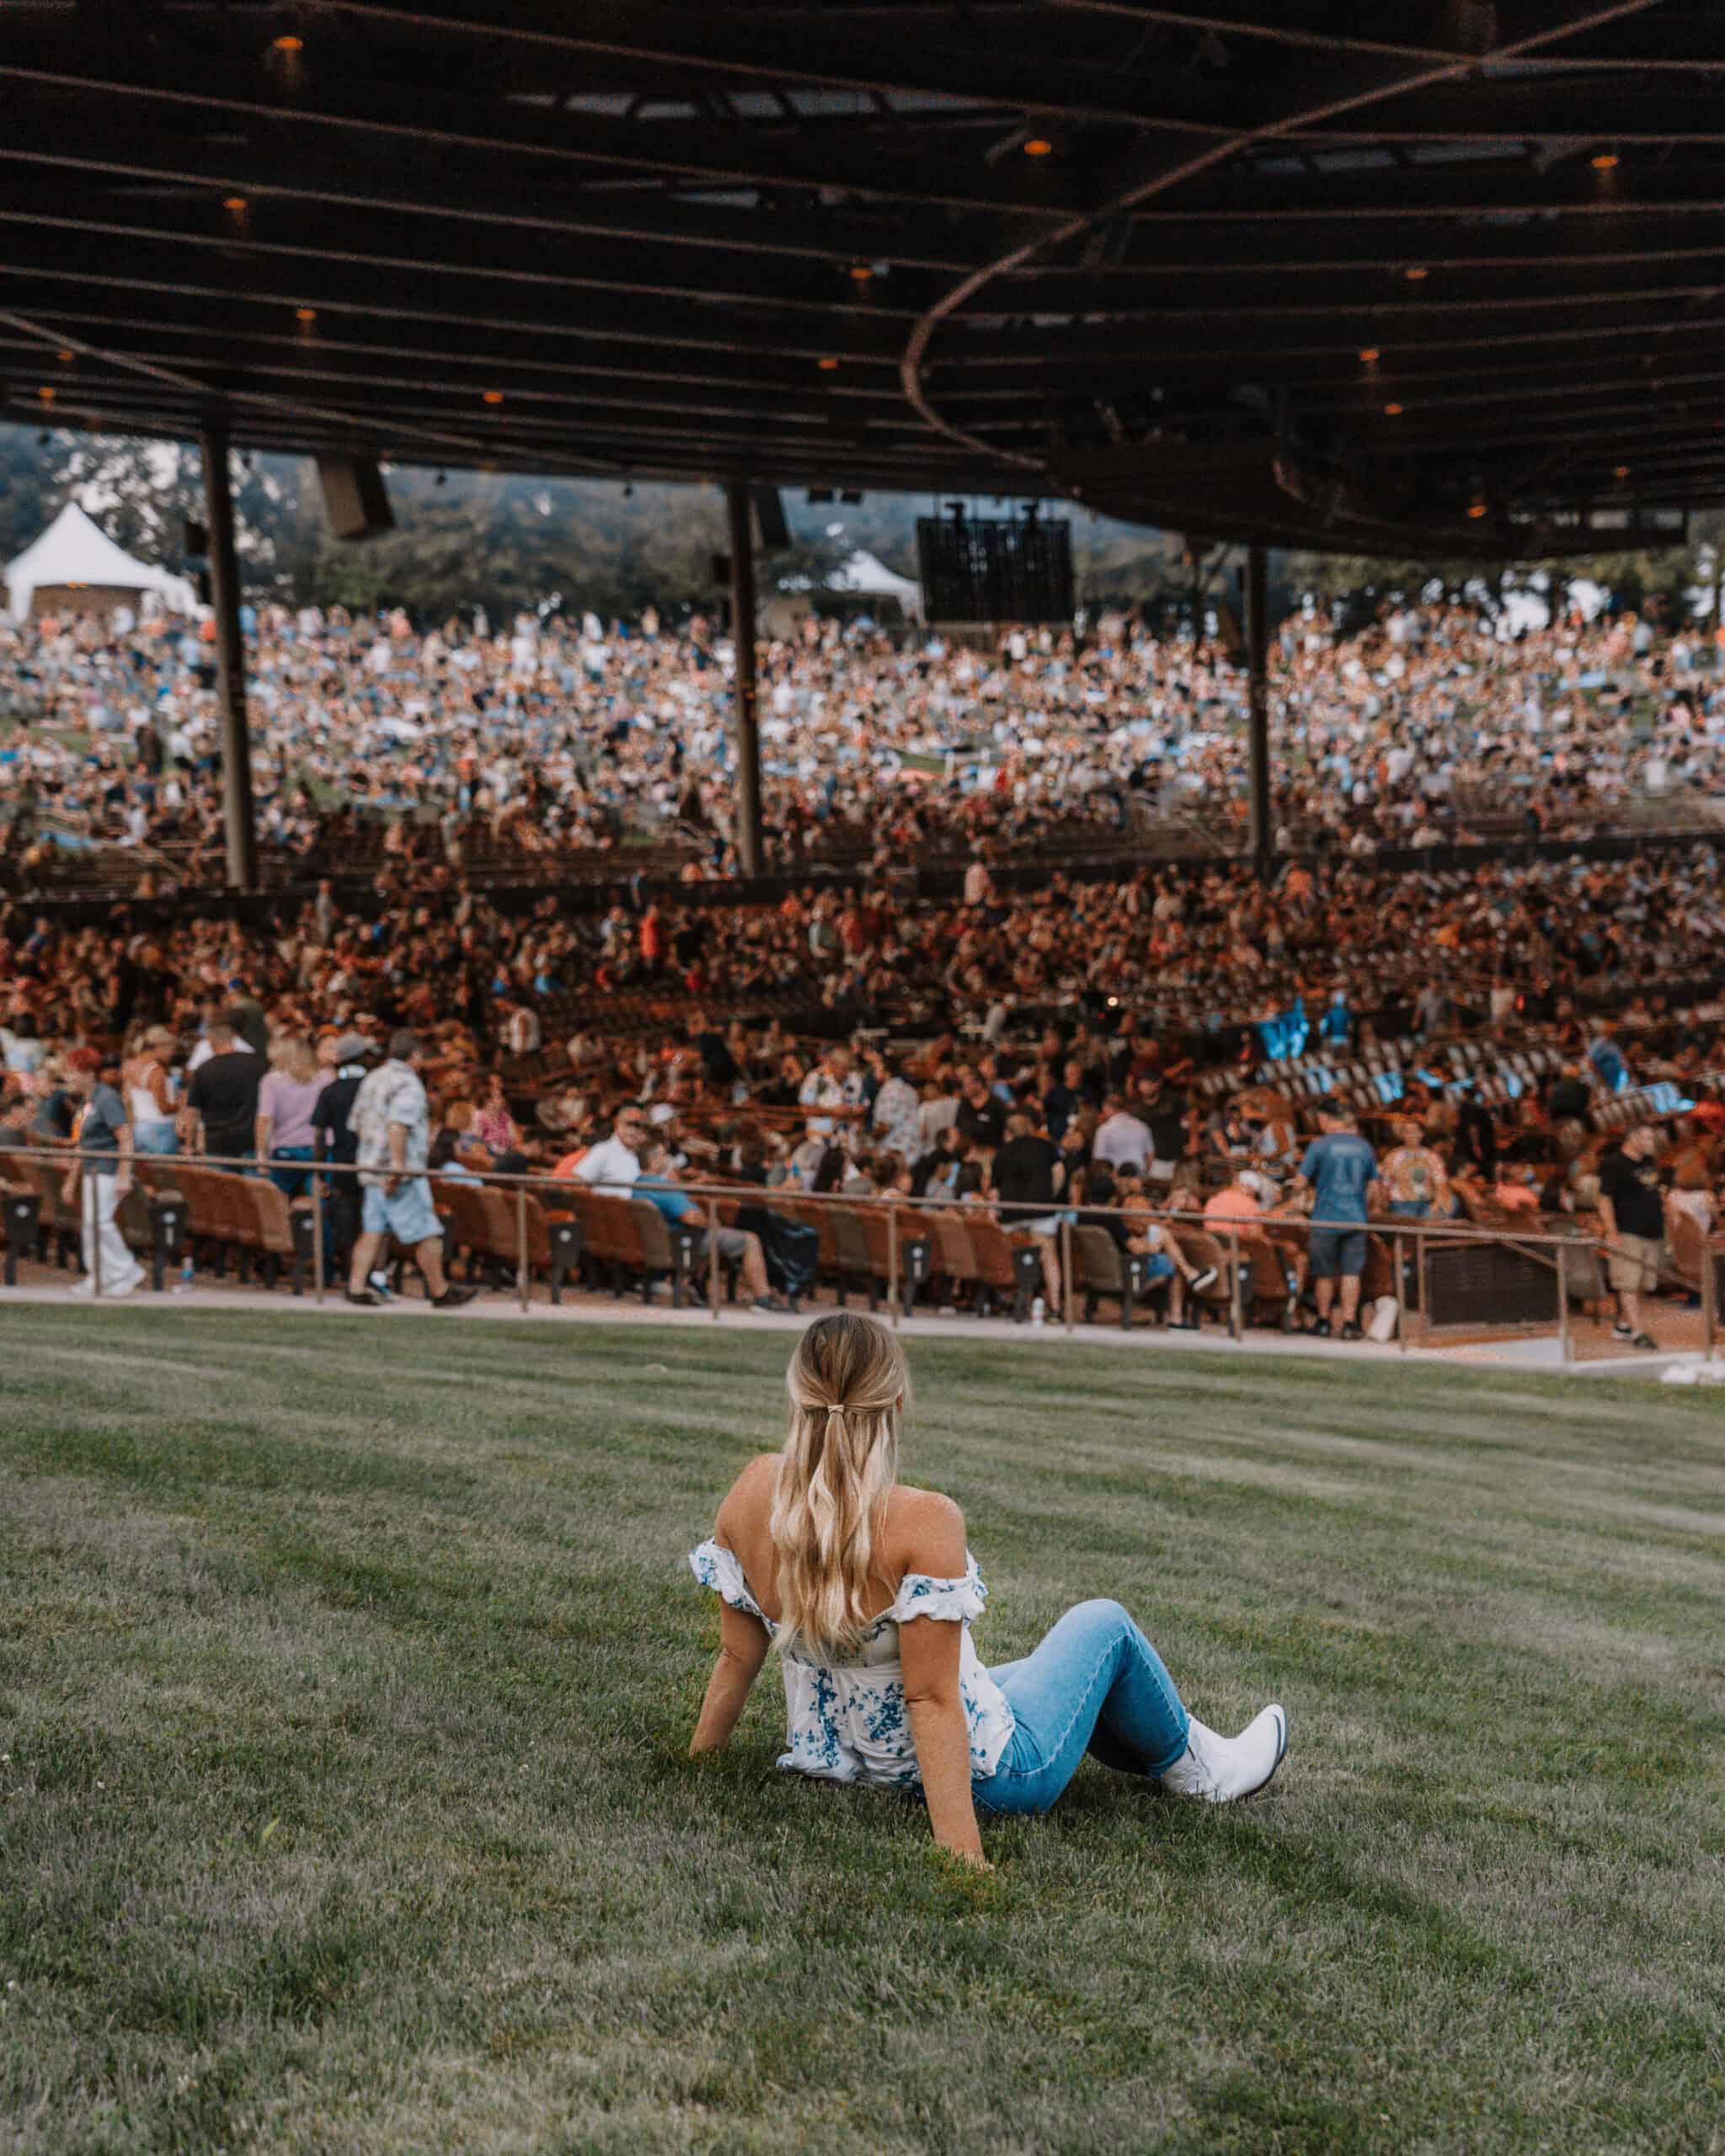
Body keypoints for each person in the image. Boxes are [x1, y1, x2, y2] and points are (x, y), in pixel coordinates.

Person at [687, 1314, 1287, 1866]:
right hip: (996, 1780)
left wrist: (700, 1766)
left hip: (837, 1765)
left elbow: (738, 1655)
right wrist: (963, 1858)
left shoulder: (751, 1490)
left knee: (1041, 1670)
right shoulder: (924, 1519)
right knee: (1103, 1628)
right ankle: (1205, 1772)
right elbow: (930, 1701)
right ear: (896, 1401)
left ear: (798, 1394)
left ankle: (1169, 1745)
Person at [344, 1029, 474, 1310]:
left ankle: (356, 1286)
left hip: (369, 1167)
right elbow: (398, 1126)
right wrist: (398, 1167)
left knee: (373, 1229)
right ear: (415, 1056)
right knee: (427, 1231)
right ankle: (440, 1291)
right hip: (399, 1173)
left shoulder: (372, 1078)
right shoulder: (409, 1084)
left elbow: (355, 1123)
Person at [634, 1139, 791, 1312]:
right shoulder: (662, 1186)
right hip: (685, 1243)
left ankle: (695, 1285)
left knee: (718, 1240)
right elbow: (690, 1217)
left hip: (670, 1242)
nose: (667, 1159)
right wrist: (711, 1223)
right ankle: (763, 1298)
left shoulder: (637, 1185)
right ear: (654, 1161)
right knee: (750, 1240)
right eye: (664, 1156)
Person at [60, 1046, 144, 1298]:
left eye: (72, 1072)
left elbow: (125, 1136)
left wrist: (124, 1174)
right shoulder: (88, 1101)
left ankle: (125, 1270)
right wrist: (70, 1181)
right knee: (91, 1225)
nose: (68, 1077)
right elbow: (83, 1144)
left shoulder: (106, 1099)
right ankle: (99, 1275)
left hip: (107, 1171)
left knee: (101, 1223)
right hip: (91, 1170)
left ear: (88, 1073)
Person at [1292, 1099, 1379, 1340]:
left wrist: (1294, 1193)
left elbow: (1300, 1183)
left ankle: (1323, 1321)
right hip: (1356, 1218)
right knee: (1352, 1273)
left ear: (1327, 1120)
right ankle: (1349, 1323)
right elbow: (1373, 1187)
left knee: (1324, 1274)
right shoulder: (1364, 1147)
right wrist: (1364, 1207)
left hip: (1325, 1217)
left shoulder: (1319, 1146)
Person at [1596, 1122, 1665, 1350]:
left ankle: (1623, 1326)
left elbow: (1654, 1190)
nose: (1651, 1143)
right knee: (1628, 1284)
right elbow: (1604, 1198)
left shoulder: (1649, 1162)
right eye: (1647, 1138)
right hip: (1628, 1232)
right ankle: (1638, 1332)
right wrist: (1611, 1230)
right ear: (1633, 1138)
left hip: (1653, 1232)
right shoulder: (1613, 1165)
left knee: (1645, 1284)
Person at [990, 1108, 1065, 1315]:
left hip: (1011, 1213)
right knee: (1048, 1256)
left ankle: (1016, 1302)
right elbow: (1059, 1174)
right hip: (1040, 1209)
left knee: (1014, 1257)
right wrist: (1050, 1194)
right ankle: (1056, 1307)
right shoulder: (1046, 1147)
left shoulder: (1002, 1152)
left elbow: (994, 1190)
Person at [182, 1011, 262, 1166]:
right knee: (253, 1188)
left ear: (211, 1042)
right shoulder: (258, 1065)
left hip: (217, 1142)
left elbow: (192, 1112)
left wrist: (189, 1144)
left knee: (221, 1189)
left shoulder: (204, 1070)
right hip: (250, 1139)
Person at [254, 1033, 323, 1198]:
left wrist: (261, 1155)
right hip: (318, 1150)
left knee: (278, 1203)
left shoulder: (272, 1081)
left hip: (285, 1150)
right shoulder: (325, 1078)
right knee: (320, 1204)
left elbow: (265, 1119)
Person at [121, 1026, 179, 1157]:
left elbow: (127, 1101)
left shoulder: (128, 1066)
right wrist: (180, 1103)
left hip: (139, 1128)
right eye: (171, 1049)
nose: (172, 1054)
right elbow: (163, 1108)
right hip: (161, 1130)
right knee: (165, 1175)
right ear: (159, 1047)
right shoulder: (157, 1071)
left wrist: (132, 1128)